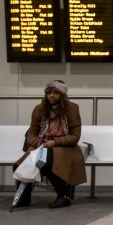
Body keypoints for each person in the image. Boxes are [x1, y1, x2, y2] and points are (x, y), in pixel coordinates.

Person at [21, 80, 86, 208]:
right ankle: (23, 197)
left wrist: (55, 142)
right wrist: (38, 142)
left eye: (55, 93)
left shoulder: (72, 109)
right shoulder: (39, 109)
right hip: (42, 145)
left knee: (47, 161)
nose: (51, 95)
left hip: (65, 147)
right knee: (27, 163)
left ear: (62, 94)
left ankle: (63, 195)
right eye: (49, 92)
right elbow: (31, 134)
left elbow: (75, 136)